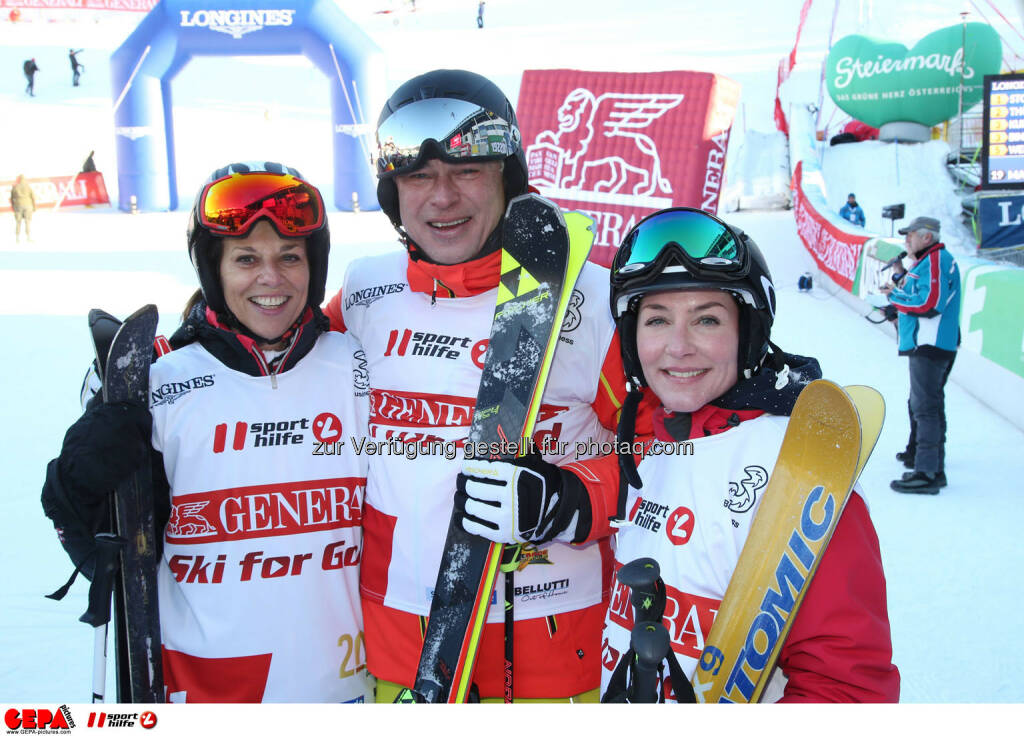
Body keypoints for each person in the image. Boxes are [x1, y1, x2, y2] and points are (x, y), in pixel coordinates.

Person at [457, 207, 901, 702]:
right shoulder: (658, 445)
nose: (678, 347)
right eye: (657, 320)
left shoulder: (796, 472)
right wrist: (558, 500)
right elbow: (623, 490)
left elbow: (847, 689)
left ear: (747, 331)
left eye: (706, 319)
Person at [323, 68, 643, 702]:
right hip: (399, 651)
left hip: (552, 650)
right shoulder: (365, 294)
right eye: (417, 176)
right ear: (393, 194)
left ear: (508, 177)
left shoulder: (592, 302)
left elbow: (672, 451)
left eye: (467, 170)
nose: (442, 197)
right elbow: (277, 375)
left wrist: (576, 499)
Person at [41, 162, 374, 703]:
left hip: (344, 691)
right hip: (206, 690)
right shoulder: (164, 380)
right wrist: (77, 488)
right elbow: (104, 548)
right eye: (246, 259)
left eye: (290, 256)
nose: (272, 278)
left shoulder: (356, 367)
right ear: (212, 271)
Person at [880, 216, 960, 494]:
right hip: (928, 343)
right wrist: (896, 304)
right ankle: (924, 460)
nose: (906, 241)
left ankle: (928, 472)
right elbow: (918, 296)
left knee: (926, 406)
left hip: (932, 344)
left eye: (910, 235)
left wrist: (895, 297)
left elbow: (930, 303)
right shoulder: (927, 262)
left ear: (927, 237)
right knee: (923, 404)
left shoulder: (937, 259)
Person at [10, 174, 35, 243]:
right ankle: (28, 237)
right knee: (27, 222)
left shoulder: (15, 187)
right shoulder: (28, 186)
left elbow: (12, 198)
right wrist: (34, 207)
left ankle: (17, 238)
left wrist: (13, 206)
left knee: (18, 222)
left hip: (18, 206)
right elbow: (33, 197)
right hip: (28, 205)